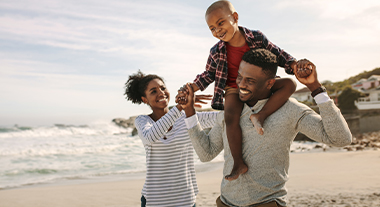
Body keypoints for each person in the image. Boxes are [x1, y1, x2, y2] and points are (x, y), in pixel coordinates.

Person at [179, 49, 352, 207]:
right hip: (226, 203)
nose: (241, 84)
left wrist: (315, 87)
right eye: (239, 77)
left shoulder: (290, 109)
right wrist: (189, 111)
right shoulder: (231, 111)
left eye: (250, 81)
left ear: (270, 83)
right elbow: (206, 153)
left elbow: (341, 139)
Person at [180, 0, 314, 181]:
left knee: (290, 84)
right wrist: (191, 88)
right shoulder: (216, 51)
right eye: (211, 28)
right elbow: (208, 74)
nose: (217, 30)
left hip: (258, 85)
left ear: (235, 17)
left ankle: (261, 115)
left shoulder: (256, 37)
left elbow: (278, 54)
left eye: (220, 23)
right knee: (230, 116)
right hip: (234, 88)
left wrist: (294, 64)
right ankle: (238, 162)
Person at [124, 71, 218, 207]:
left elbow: (222, 119)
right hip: (154, 201)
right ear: (145, 99)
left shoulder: (188, 117)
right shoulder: (143, 121)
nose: (161, 93)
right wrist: (180, 107)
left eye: (163, 88)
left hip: (186, 200)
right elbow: (151, 136)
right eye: (153, 91)